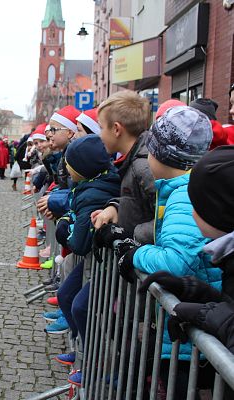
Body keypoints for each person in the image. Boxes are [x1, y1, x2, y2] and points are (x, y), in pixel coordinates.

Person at [115, 106, 221, 398]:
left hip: (194, 335)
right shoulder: (181, 189)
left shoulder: (184, 196)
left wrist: (134, 254)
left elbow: (176, 261)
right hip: (192, 321)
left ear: (161, 156)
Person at [51, 135, 121, 386]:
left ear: (82, 167)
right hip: (97, 261)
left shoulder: (93, 193)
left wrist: (63, 227)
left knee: (80, 306)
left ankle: (96, 361)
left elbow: (78, 242)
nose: (65, 168)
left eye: (69, 164)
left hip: (106, 263)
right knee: (66, 296)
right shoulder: (89, 186)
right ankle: (82, 352)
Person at [91, 90, 156, 250]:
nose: (100, 135)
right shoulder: (136, 160)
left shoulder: (143, 166)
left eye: (101, 128)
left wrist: (127, 235)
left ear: (116, 129)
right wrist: (116, 208)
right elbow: (140, 204)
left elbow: (169, 219)